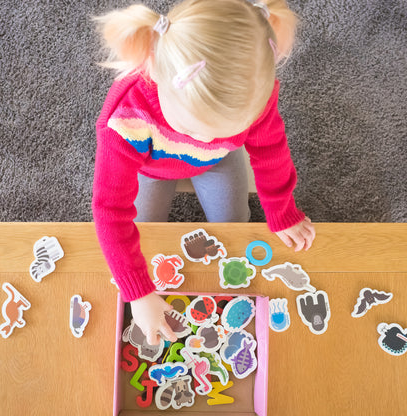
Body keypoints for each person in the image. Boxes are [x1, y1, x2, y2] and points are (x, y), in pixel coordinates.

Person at [92, 0, 316, 345]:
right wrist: (137, 292)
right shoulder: (125, 121)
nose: (208, 138)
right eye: (193, 128)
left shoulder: (254, 96)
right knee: (147, 233)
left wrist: (281, 211)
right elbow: (110, 210)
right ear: (155, 70)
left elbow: (270, 151)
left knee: (233, 226)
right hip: (151, 166)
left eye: (225, 131)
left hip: (217, 162)